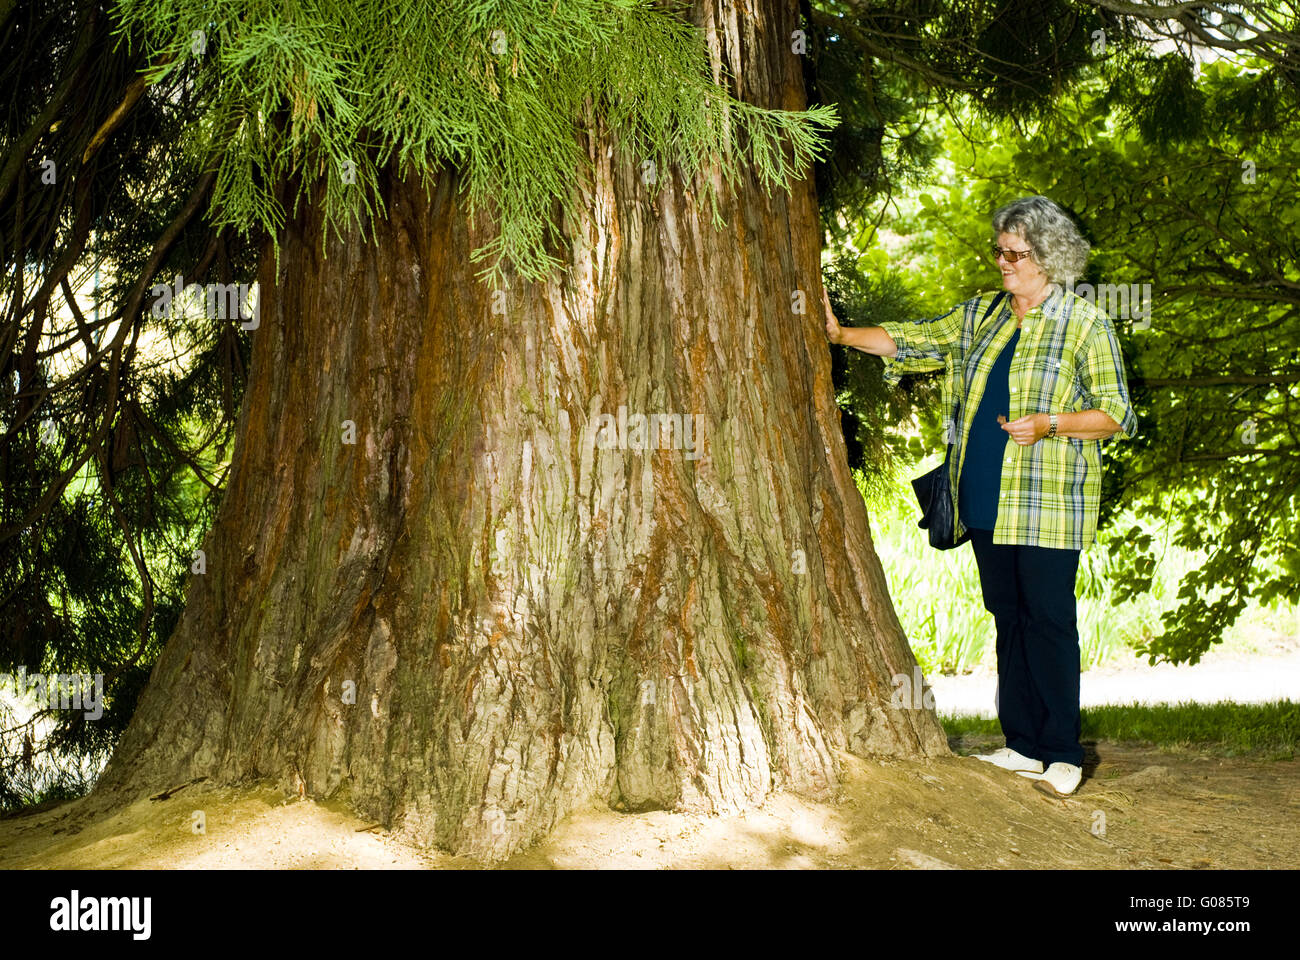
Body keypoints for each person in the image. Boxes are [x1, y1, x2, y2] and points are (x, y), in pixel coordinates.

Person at [822, 195, 1139, 796]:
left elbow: (1116, 414)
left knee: (1048, 621)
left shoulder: (1086, 324)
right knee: (1009, 619)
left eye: (1016, 253)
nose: (1003, 262)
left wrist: (1050, 423)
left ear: (1048, 258)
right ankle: (1021, 744)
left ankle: (1063, 752)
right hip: (984, 497)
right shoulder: (981, 316)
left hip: (1048, 503)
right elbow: (911, 340)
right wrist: (840, 335)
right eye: (999, 250)